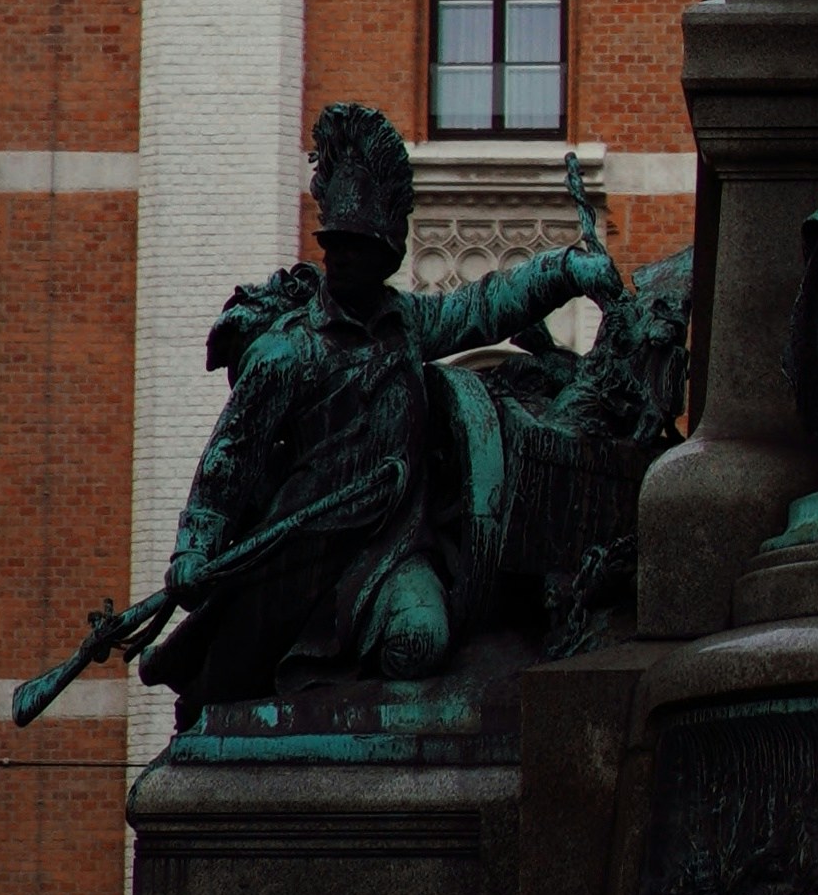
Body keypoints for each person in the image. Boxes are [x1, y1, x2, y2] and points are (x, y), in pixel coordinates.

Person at [140, 104, 617, 707]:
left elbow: (484, 305)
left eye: (360, 249)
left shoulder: (407, 325)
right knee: (227, 680)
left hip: (391, 552)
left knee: (420, 639)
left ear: (388, 254)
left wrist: (566, 269)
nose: (344, 260)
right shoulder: (287, 351)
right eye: (336, 247)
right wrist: (194, 547)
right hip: (298, 554)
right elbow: (228, 457)